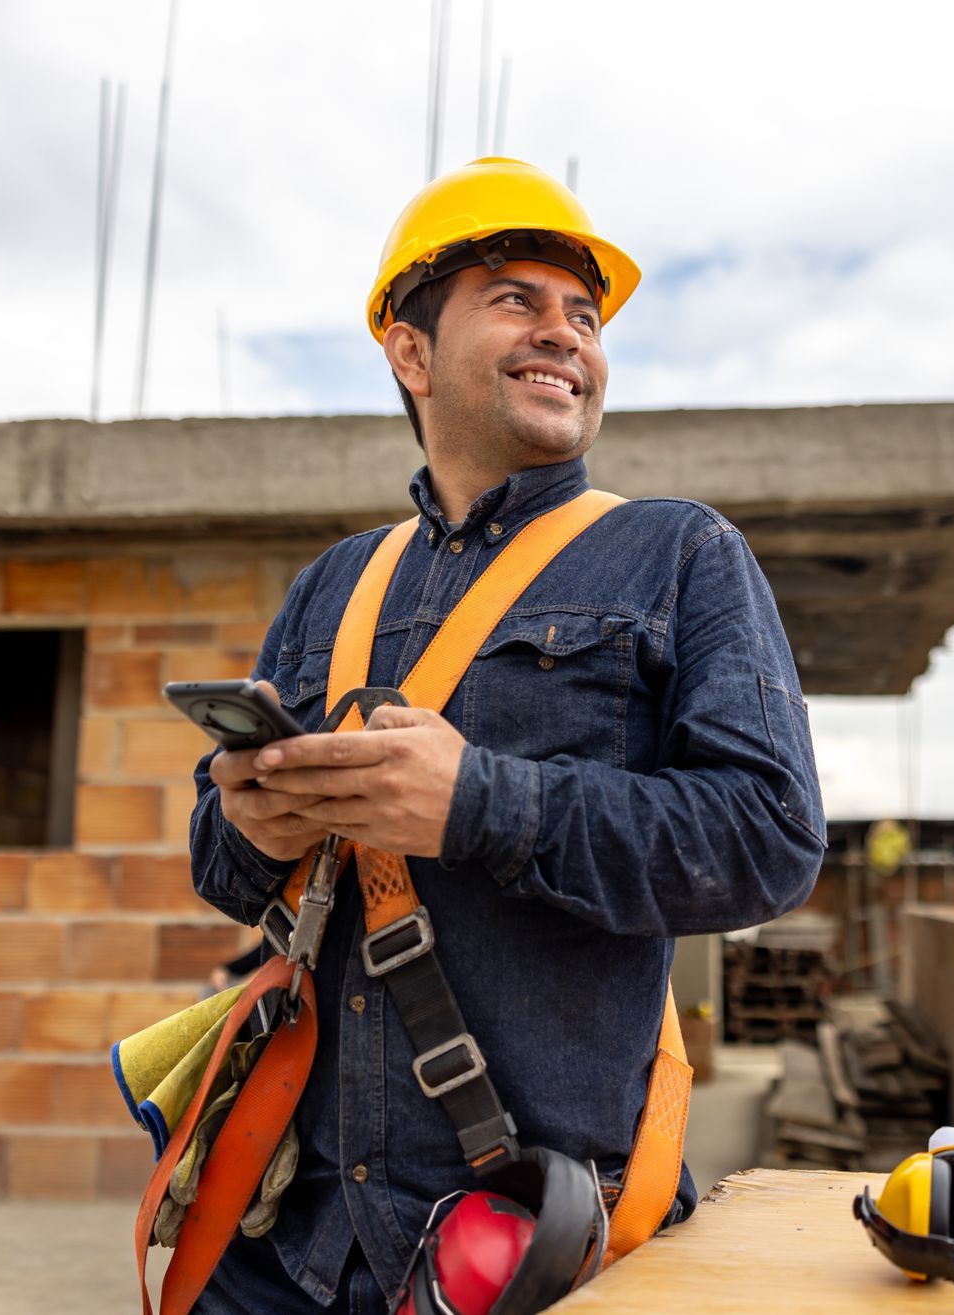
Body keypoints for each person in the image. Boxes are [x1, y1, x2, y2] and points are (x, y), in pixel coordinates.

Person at [187, 157, 826, 1313]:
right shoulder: (336, 585)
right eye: (516, 300)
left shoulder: (678, 555)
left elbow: (770, 837)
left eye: (583, 314)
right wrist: (245, 821)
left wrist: (482, 802)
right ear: (410, 350)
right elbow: (223, 871)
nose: (564, 335)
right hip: (297, 1231)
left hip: (534, 1240)